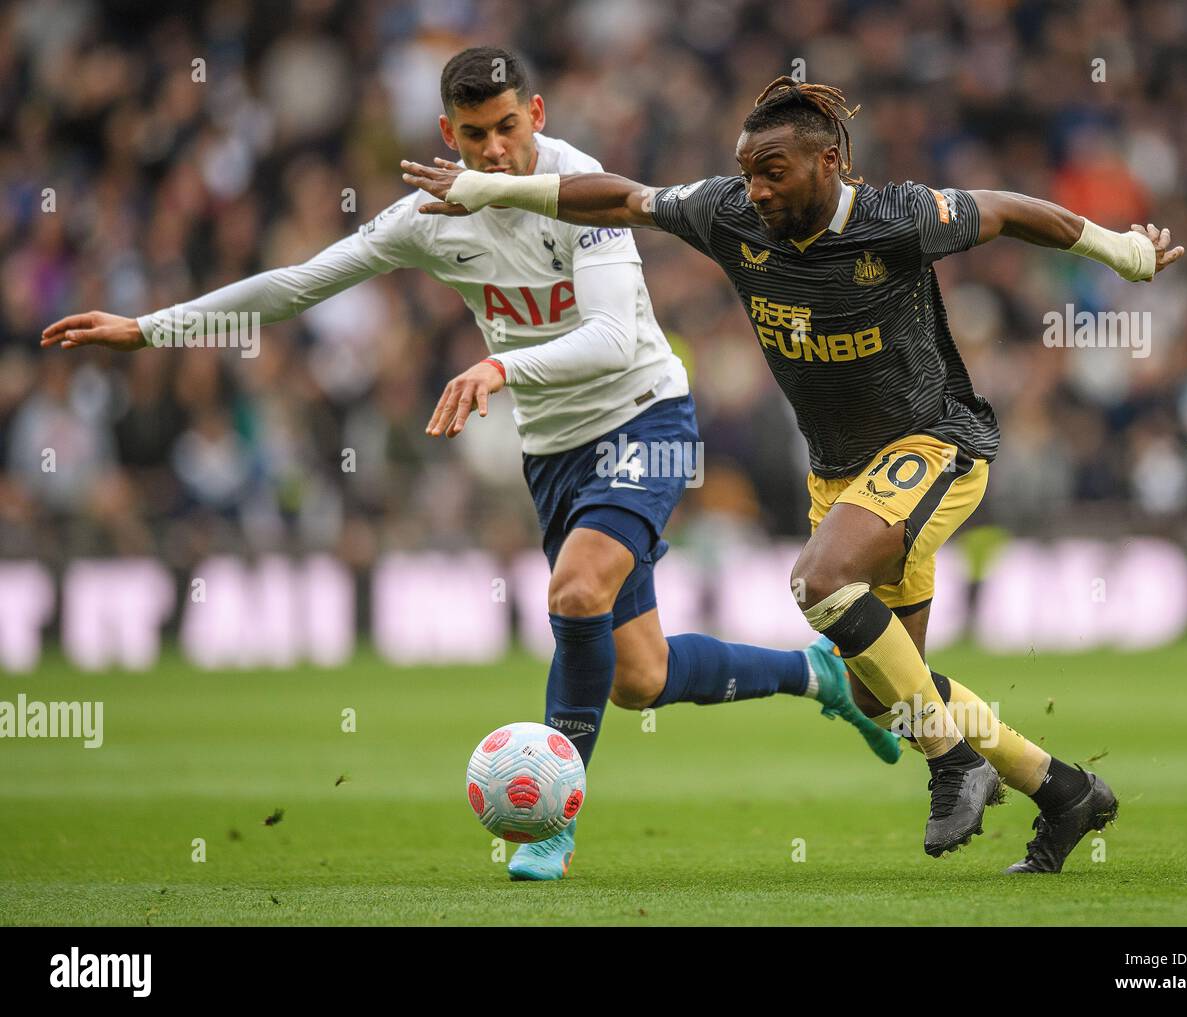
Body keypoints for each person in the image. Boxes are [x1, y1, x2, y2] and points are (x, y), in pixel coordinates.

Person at [40, 55, 900, 882]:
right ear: (447, 134)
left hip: (650, 415)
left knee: (575, 591)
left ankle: (552, 822)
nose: (495, 150)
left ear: (537, 117)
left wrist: (498, 367)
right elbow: (299, 283)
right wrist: (151, 327)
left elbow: (608, 339)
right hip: (555, 449)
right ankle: (814, 671)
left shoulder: (582, 190)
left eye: (507, 128)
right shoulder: (428, 219)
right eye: (474, 134)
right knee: (641, 678)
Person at [399, 74, 1186, 871]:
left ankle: (956, 763)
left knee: (817, 581)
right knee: (888, 693)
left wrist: (1117, 249)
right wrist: (491, 187)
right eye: (747, 171)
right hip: (842, 477)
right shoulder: (730, 214)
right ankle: (1064, 791)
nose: (757, 188)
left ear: (830, 162)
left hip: (935, 444)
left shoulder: (901, 217)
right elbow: (623, 199)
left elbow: (1014, 210)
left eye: (774, 170)